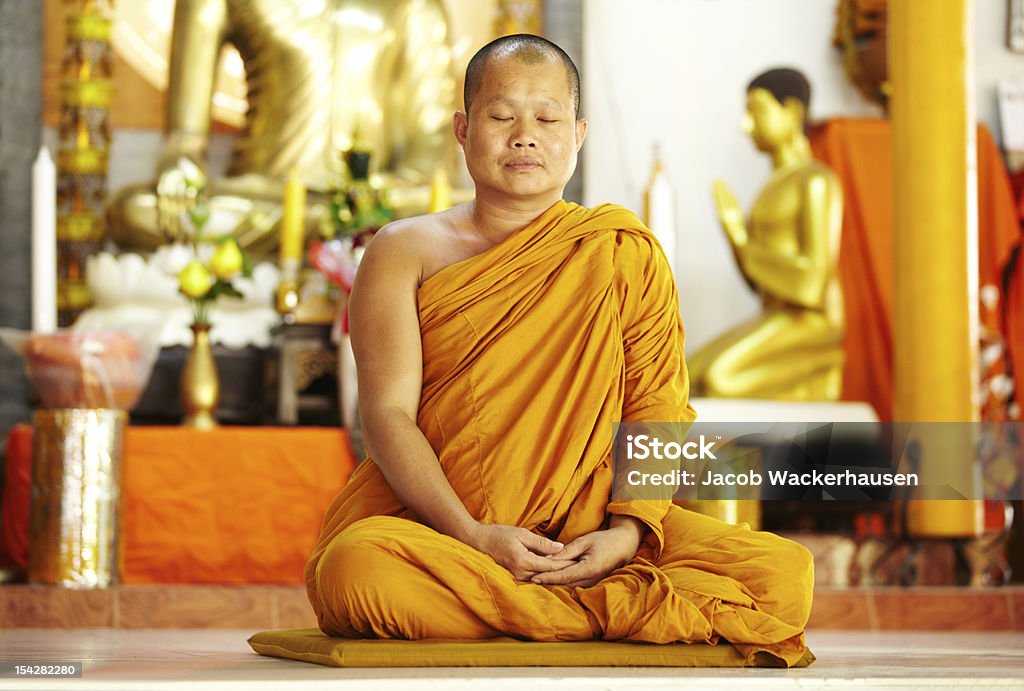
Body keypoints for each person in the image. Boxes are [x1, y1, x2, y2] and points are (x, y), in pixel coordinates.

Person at [304, 36, 814, 666]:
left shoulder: (621, 249)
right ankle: (607, 614)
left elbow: (658, 404)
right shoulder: (402, 250)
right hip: (445, 531)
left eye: (546, 119)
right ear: (463, 130)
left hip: (592, 532)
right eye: (501, 116)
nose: (525, 136)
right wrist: (475, 535)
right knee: (356, 571)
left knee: (784, 576)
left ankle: (547, 610)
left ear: (577, 135)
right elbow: (387, 416)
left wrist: (625, 535)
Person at [105, 0, 463, 260]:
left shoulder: (415, 5)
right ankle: (357, 231)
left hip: (380, 201)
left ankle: (362, 226)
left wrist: (380, 194)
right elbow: (185, 138)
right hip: (264, 197)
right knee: (136, 210)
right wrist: (180, 165)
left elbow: (432, 143)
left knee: (469, 210)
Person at [688, 68, 845, 400]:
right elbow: (758, 283)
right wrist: (734, 235)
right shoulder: (773, 187)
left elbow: (811, 286)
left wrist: (742, 240)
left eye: (756, 111)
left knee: (721, 382)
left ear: (792, 112)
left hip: (811, 324)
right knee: (683, 379)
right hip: (774, 315)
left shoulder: (815, 181)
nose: (747, 125)